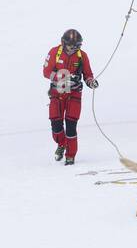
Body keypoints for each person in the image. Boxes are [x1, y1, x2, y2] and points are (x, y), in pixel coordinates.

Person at [42, 27, 98, 166]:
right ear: (63, 43)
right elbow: (46, 71)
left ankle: (70, 156)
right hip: (57, 93)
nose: (73, 49)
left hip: (74, 94)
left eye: (77, 46)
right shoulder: (54, 52)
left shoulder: (82, 56)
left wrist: (91, 82)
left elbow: (88, 74)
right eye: (71, 46)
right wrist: (61, 77)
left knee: (71, 125)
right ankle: (62, 144)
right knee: (56, 125)